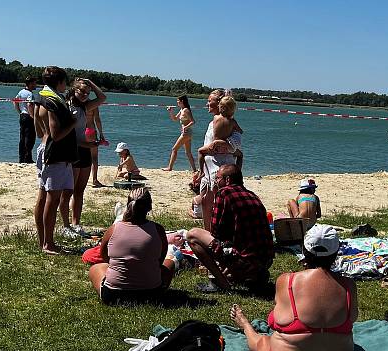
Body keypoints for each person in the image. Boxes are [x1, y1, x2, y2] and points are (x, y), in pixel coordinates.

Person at [230, 224, 358, 351]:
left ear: (304, 251)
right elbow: (351, 318)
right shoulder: (348, 286)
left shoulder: (288, 282)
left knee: (263, 342)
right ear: (335, 253)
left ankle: (244, 325)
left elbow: (273, 322)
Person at [187, 164, 273, 292]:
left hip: (244, 260)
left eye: (217, 179)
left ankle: (220, 283)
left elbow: (216, 232)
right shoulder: (252, 195)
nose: (215, 182)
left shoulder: (224, 193)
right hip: (265, 260)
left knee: (193, 235)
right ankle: (253, 276)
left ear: (227, 180)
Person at [88, 188, 175, 304]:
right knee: (170, 263)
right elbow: (160, 259)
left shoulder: (114, 229)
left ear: (128, 205)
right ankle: (159, 289)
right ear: (149, 207)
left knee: (96, 268)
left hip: (114, 295)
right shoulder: (158, 229)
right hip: (152, 294)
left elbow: (104, 256)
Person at [34, 66, 78, 255]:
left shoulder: (43, 96)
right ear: (59, 82)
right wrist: (73, 122)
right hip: (55, 154)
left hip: (49, 151)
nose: (66, 85)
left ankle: (43, 240)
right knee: (51, 199)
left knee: (44, 196)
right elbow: (57, 134)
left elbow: (38, 125)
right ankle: (48, 244)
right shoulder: (51, 100)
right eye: (64, 81)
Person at [60, 78, 107, 236]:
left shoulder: (85, 106)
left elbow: (102, 98)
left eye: (87, 93)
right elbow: (64, 134)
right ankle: (66, 226)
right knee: (68, 191)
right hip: (72, 151)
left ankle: (76, 223)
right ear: (74, 89)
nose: (85, 95)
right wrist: (87, 145)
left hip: (84, 150)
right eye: (82, 91)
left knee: (80, 190)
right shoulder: (66, 105)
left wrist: (90, 82)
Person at [197, 91, 243, 232]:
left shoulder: (227, 122)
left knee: (220, 202)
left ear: (219, 104)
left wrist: (224, 145)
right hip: (208, 167)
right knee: (205, 201)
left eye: (209, 100)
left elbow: (237, 142)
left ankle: (220, 233)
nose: (207, 103)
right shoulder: (213, 121)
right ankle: (208, 231)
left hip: (220, 166)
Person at [164, 95, 196, 172]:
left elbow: (193, 121)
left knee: (174, 149)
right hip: (187, 133)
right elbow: (175, 119)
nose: (177, 102)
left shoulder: (186, 110)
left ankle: (170, 167)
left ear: (182, 101)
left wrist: (185, 127)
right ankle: (194, 170)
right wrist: (171, 111)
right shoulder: (182, 110)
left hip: (186, 133)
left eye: (178, 101)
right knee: (188, 152)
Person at [15, 76, 38, 163]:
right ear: (31, 84)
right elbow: (29, 105)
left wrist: (19, 111)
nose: (36, 85)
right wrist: (33, 117)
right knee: (30, 138)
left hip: (22, 115)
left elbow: (15, 101)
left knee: (22, 137)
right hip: (28, 116)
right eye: (35, 83)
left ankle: (21, 158)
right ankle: (27, 158)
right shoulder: (30, 94)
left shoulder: (21, 92)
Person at [87, 106, 107, 187]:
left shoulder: (76, 103)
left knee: (79, 154)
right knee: (94, 157)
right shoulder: (93, 104)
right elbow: (97, 120)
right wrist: (101, 133)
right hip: (91, 130)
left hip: (80, 131)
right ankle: (94, 179)